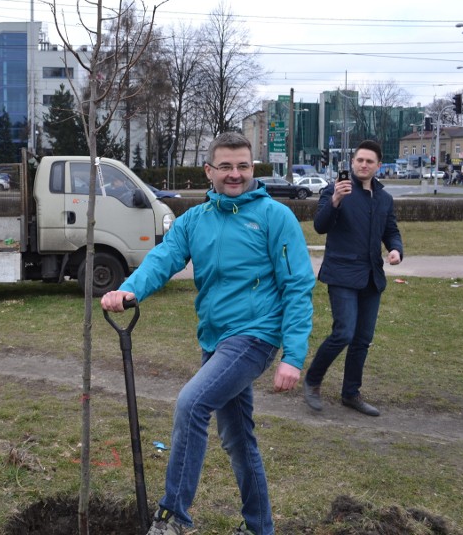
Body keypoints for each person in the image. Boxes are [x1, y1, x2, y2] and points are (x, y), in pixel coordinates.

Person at [101, 131, 316, 535]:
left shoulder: (274, 217)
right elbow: (163, 258)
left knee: (191, 404)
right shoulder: (196, 221)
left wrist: (292, 356)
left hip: (255, 335)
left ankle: (174, 517)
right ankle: (259, 527)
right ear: (209, 170)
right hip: (216, 341)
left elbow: (298, 286)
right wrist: (130, 288)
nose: (235, 175)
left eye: (243, 166)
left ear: (253, 169)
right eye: (226, 167)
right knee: (238, 439)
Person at [303, 139, 402, 418]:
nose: (363, 165)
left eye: (369, 161)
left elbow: (391, 230)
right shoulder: (334, 190)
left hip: (372, 278)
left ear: (378, 166)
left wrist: (395, 249)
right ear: (352, 162)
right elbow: (320, 226)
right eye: (359, 160)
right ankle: (312, 380)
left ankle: (351, 393)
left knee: (362, 339)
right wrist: (335, 200)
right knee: (344, 332)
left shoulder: (384, 198)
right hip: (342, 274)